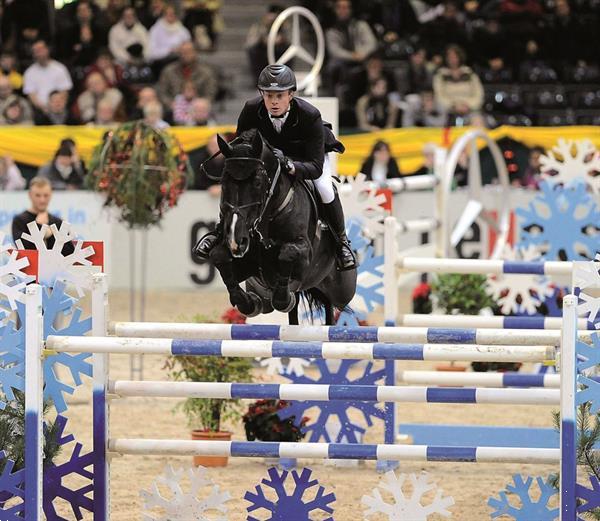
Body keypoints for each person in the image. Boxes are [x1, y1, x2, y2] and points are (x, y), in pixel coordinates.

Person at [193, 64, 357, 270]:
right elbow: (243, 147)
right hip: (271, 158)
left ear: (291, 94)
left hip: (307, 157)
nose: (274, 102)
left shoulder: (310, 115)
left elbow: (315, 167)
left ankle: (342, 242)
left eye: (280, 96)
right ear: (262, 94)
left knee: (324, 188)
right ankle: (219, 233)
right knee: (240, 185)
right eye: (269, 95)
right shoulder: (251, 110)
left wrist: (291, 165)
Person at [11, 176, 75, 254]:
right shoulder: (19, 220)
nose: (42, 200)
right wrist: (39, 227)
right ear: (30, 195)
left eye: (46, 195)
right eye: (38, 195)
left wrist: (50, 234)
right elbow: (23, 249)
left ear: (51, 195)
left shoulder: (58, 222)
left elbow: (69, 252)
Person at [157, 41, 218, 107]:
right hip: (172, 109)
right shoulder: (168, 71)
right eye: (183, 52)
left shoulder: (206, 72)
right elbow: (162, 92)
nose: (186, 54)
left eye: (189, 51)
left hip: (199, 109)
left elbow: (210, 93)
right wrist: (170, 103)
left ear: (195, 53)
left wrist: (201, 104)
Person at [23, 40, 73, 112]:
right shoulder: (29, 73)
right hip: (40, 111)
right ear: (33, 54)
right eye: (36, 51)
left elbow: (64, 92)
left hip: (60, 108)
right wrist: (45, 109)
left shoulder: (60, 68)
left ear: (47, 49)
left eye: (41, 49)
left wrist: (57, 106)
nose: (39, 53)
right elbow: (32, 96)